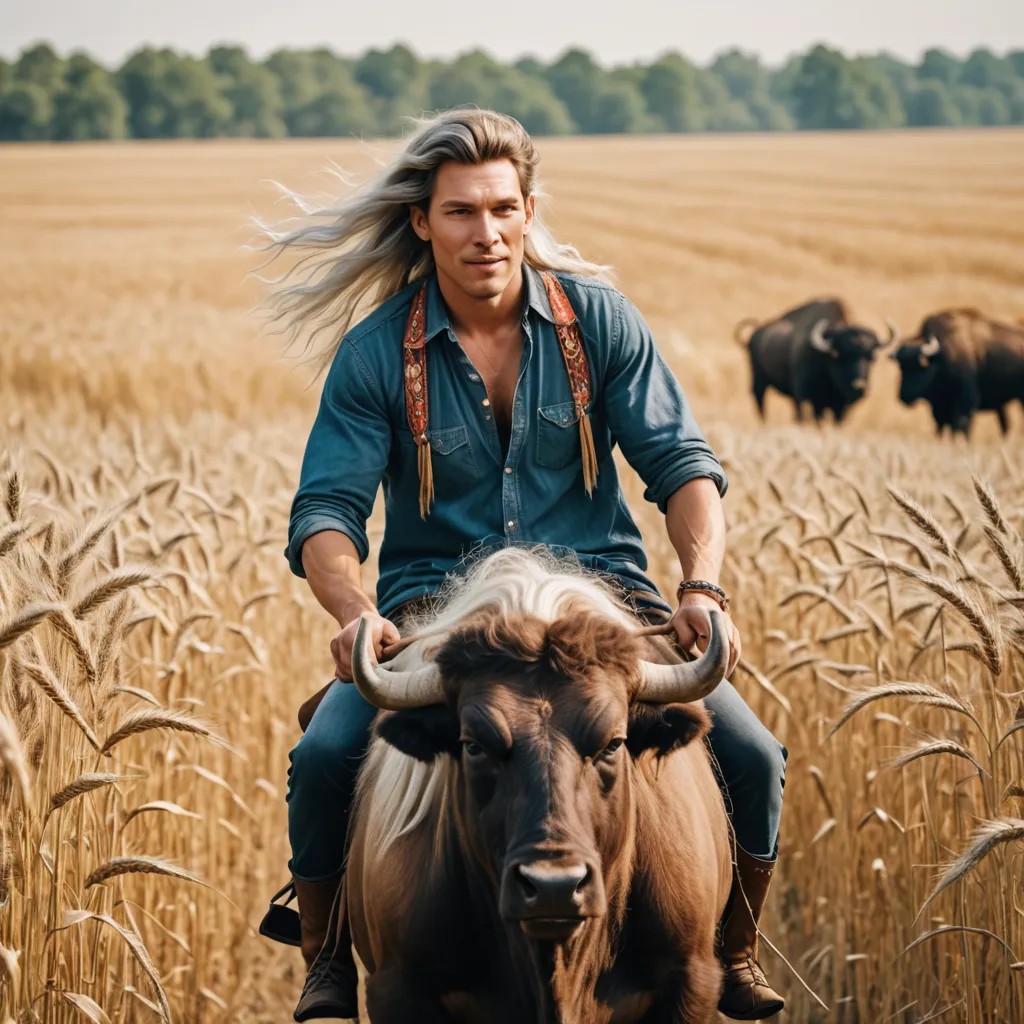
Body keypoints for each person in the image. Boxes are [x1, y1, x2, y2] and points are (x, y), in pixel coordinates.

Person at [264, 108, 787, 1022]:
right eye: (461, 211)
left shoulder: (601, 324)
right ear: (423, 221)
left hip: (606, 614)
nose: (487, 233)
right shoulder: (376, 352)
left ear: (529, 210)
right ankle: (327, 959)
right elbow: (326, 514)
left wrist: (701, 585)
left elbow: (685, 467)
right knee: (325, 754)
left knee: (751, 753)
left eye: (503, 208)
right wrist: (353, 612)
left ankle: (733, 953)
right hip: (438, 621)